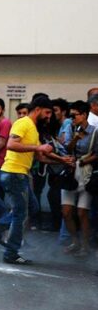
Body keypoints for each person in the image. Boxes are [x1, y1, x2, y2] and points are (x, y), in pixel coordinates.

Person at [0, 96, 56, 264]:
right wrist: (38, 147)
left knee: (32, 207)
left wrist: (63, 160)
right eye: (47, 112)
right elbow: (11, 144)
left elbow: (39, 155)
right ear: (38, 109)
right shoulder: (24, 123)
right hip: (14, 174)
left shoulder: (33, 128)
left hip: (19, 174)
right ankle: (11, 252)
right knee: (21, 214)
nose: (48, 116)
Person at [61, 101, 97, 257]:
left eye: (74, 115)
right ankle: (75, 241)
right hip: (70, 172)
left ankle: (84, 245)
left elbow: (97, 153)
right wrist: (76, 138)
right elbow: (66, 149)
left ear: (84, 115)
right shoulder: (70, 128)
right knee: (67, 211)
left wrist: (82, 161)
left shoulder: (95, 132)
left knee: (83, 212)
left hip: (86, 173)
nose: (72, 118)